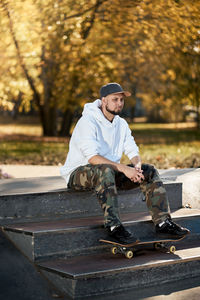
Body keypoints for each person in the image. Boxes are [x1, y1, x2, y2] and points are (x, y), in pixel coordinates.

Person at [60, 82, 190, 244]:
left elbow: (132, 150)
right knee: (105, 170)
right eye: (115, 99)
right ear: (104, 100)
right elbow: (93, 158)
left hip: (109, 173)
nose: (119, 103)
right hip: (78, 174)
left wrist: (136, 166)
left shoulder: (120, 124)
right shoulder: (87, 121)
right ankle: (114, 227)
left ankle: (163, 223)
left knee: (148, 170)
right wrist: (123, 169)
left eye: (121, 100)